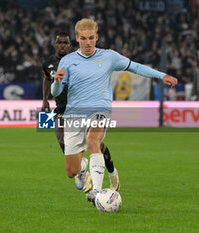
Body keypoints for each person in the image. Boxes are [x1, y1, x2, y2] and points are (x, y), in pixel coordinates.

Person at [51, 18, 178, 205]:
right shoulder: (68, 61)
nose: (88, 42)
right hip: (74, 114)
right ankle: (83, 167)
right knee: (71, 172)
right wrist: (57, 82)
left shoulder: (109, 56)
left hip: (100, 108)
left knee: (93, 140)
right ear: (77, 38)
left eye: (91, 38)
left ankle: (96, 192)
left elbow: (135, 66)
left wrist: (162, 75)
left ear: (97, 37)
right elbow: (56, 93)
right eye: (84, 38)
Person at [42, 31, 120, 192]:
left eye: (65, 43)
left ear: (70, 45)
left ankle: (109, 168)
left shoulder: (76, 60)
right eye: (60, 42)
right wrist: (44, 99)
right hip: (61, 109)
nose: (63, 45)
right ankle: (82, 169)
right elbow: (47, 79)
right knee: (64, 144)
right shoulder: (48, 63)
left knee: (94, 142)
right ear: (55, 44)